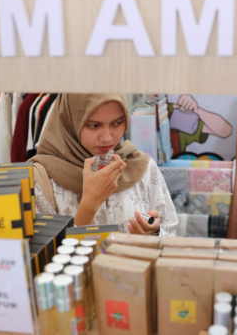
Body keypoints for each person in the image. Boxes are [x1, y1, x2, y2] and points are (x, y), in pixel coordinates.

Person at [30, 94, 178, 236]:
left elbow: (170, 234)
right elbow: (41, 257)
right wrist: (88, 206)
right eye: (94, 126)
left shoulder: (143, 168)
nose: (107, 138)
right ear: (70, 122)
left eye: (117, 123)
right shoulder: (40, 181)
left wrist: (154, 233)